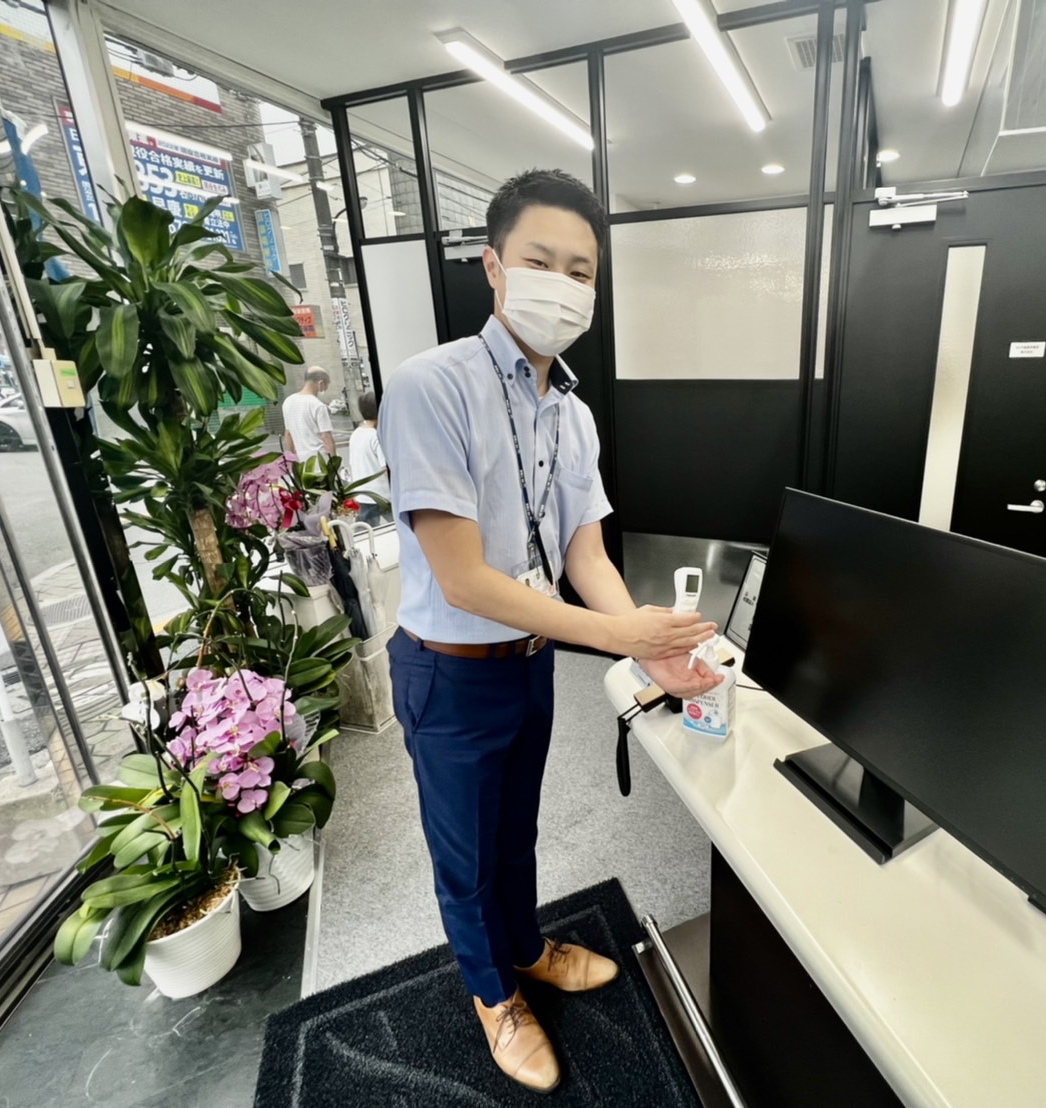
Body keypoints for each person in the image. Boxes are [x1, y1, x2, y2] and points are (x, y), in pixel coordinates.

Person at [380, 169, 722, 1094]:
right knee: (464, 852)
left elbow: (586, 557)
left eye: (582, 272)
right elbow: (463, 577)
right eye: (541, 262)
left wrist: (652, 645)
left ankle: (526, 947)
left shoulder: (572, 414)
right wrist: (622, 640)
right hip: (448, 669)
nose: (562, 286)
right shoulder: (431, 387)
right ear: (494, 266)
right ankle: (493, 994)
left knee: (516, 830)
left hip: (528, 665)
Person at [347, 391, 388, 526]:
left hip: (363, 494)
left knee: (368, 530)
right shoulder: (376, 436)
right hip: (383, 495)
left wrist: (354, 491)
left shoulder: (356, 434)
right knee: (399, 526)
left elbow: (352, 465)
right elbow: (385, 468)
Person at [281, 367, 336, 462]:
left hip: (302, 460)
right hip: (321, 460)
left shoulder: (288, 401)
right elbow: (326, 437)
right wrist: (335, 462)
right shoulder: (318, 405)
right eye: (326, 385)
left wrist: (292, 459)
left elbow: (288, 434)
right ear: (321, 383)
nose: (326, 388)